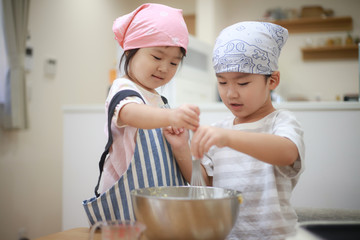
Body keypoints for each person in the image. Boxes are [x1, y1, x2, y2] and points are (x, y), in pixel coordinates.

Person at [83, 3, 199, 224]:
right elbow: (131, 113)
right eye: (157, 57)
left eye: (174, 62)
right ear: (130, 51)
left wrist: (182, 143)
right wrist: (172, 117)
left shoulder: (161, 102)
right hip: (126, 214)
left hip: (160, 213)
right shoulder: (123, 89)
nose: (165, 68)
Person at [189, 21, 305, 239]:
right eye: (222, 83)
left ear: (272, 80)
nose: (231, 94)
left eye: (242, 84)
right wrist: (180, 148)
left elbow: (287, 152)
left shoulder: (281, 122)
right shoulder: (219, 130)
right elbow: (205, 185)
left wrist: (228, 137)